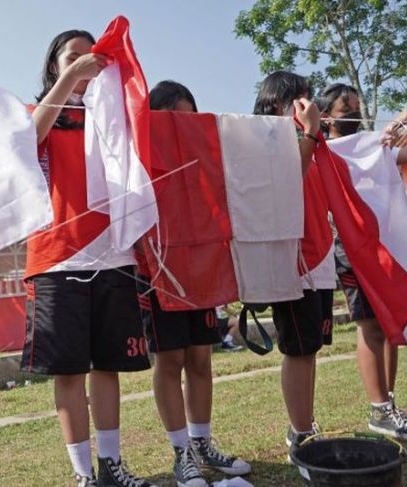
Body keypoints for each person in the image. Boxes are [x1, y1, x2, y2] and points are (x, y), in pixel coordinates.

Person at [21, 29, 154, 487]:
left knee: (107, 367)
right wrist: (69, 81)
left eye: (92, 57)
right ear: (54, 64)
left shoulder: (114, 115)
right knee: (69, 371)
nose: (84, 64)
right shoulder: (35, 113)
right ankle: (83, 474)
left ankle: (112, 465)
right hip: (59, 259)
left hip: (114, 254)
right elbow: (28, 139)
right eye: (73, 57)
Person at [137, 80, 251, 487]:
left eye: (190, 119)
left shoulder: (205, 154)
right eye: (173, 120)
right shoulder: (140, 151)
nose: (183, 129)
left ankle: (202, 442)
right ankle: (180, 453)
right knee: (169, 362)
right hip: (160, 266)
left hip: (200, 263)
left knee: (201, 360)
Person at [315, 83, 407, 442]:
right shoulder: (325, 151)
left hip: (383, 246)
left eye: (357, 106)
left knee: (389, 322)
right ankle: (380, 408)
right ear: (326, 117)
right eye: (345, 109)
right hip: (349, 249)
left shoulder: (373, 143)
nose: (353, 114)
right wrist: (397, 121)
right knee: (370, 326)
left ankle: (388, 404)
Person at [252, 71, 329, 457]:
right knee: (298, 349)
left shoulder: (307, 140)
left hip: (314, 255)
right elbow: (286, 181)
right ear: (278, 105)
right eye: (300, 100)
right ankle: (300, 433)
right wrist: (310, 133)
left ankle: (305, 423)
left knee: (309, 348)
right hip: (289, 262)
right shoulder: (266, 139)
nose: (308, 107)